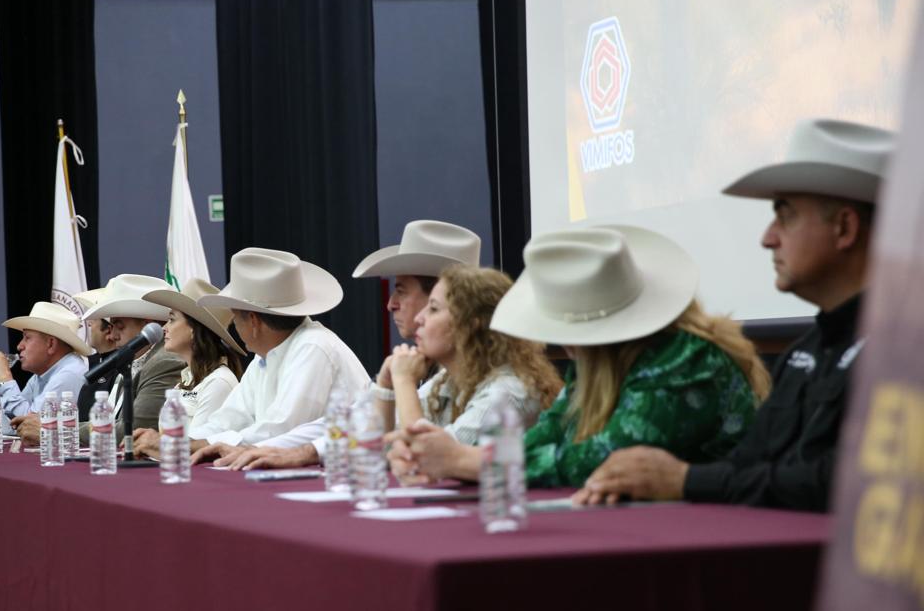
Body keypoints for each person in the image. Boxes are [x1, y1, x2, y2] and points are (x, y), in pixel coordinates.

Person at [578, 118, 890, 511]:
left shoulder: (906, 352)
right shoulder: (804, 353)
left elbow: (846, 483)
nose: (767, 237)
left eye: (786, 215)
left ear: (845, 228)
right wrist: (652, 478)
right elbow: (749, 464)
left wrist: (684, 480)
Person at [390, 225, 769, 488]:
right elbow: (549, 434)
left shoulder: (685, 360)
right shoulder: (599, 365)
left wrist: (464, 461)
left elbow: (603, 457)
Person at [207, 220, 481, 470]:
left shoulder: (495, 381)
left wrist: (300, 452)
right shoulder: (437, 372)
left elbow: (420, 453)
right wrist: (303, 451)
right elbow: (357, 421)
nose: (390, 304)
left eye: (402, 290)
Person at [189, 247, 370, 460]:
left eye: (235, 318)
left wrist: (194, 446)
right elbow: (231, 418)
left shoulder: (313, 346)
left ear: (254, 321)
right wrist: (182, 443)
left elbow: (282, 429)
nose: (234, 327)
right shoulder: (265, 356)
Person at [379, 264, 560, 443]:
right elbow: (376, 449)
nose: (419, 318)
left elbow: (423, 456)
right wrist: (385, 386)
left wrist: (403, 380)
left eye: (433, 309)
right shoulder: (447, 380)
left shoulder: (508, 393)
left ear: (469, 326)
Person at [130, 277, 247, 458]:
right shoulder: (188, 379)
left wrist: (151, 446)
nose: (164, 328)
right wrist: (149, 442)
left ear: (193, 329)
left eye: (171, 320)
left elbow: (195, 448)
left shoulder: (219, 382)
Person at [68, 274, 185, 446]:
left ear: (147, 328)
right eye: (111, 326)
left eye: (119, 326)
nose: (113, 335)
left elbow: (132, 430)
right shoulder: (135, 359)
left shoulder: (164, 362)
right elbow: (115, 423)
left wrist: (60, 430)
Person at [0, 302, 92, 437]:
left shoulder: (69, 373)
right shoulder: (40, 376)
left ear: (51, 344)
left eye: (27, 338)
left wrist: (5, 379)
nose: (19, 346)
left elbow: (29, 427)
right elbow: (9, 428)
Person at [73, 287, 119, 418]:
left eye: (93, 320)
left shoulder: (120, 369)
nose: (89, 325)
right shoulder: (93, 363)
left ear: (108, 331)